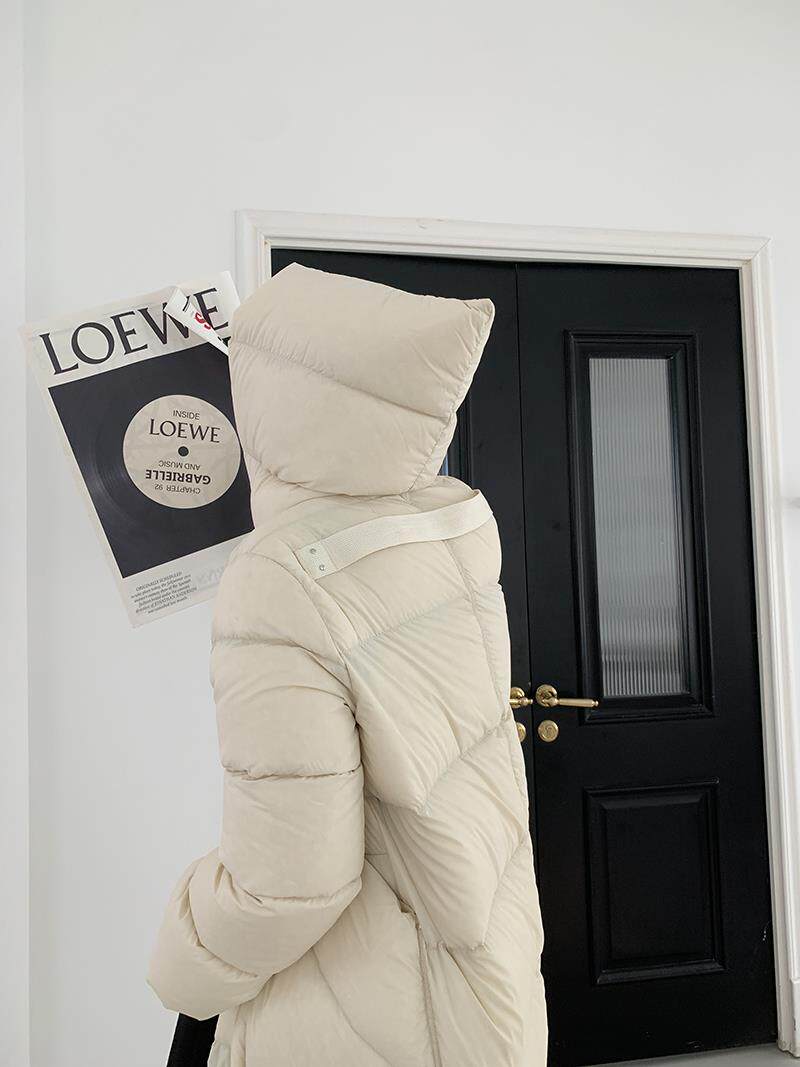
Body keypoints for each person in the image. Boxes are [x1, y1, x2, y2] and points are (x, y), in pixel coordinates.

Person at [149, 263, 547, 1066]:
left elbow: (289, 883)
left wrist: (181, 963)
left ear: (275, 396)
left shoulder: (281, 575)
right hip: (481, 978)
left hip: (371, 1005)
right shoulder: (454, 523)